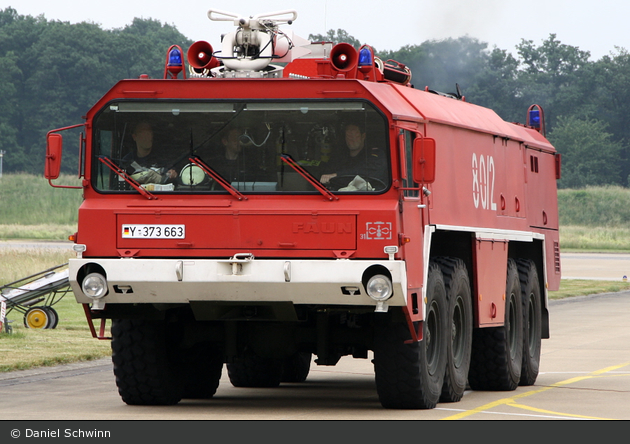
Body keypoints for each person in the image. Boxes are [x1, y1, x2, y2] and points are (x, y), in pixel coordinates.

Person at [319, 122, 388, 188]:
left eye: (354, 135)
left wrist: (337, 175)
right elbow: (327, 172)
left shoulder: (375, 154)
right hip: (338, 195)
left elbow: (370, 171)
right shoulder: (339, 156)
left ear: (363, 136)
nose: (351, 139)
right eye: (348, 136)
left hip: (368, 196)